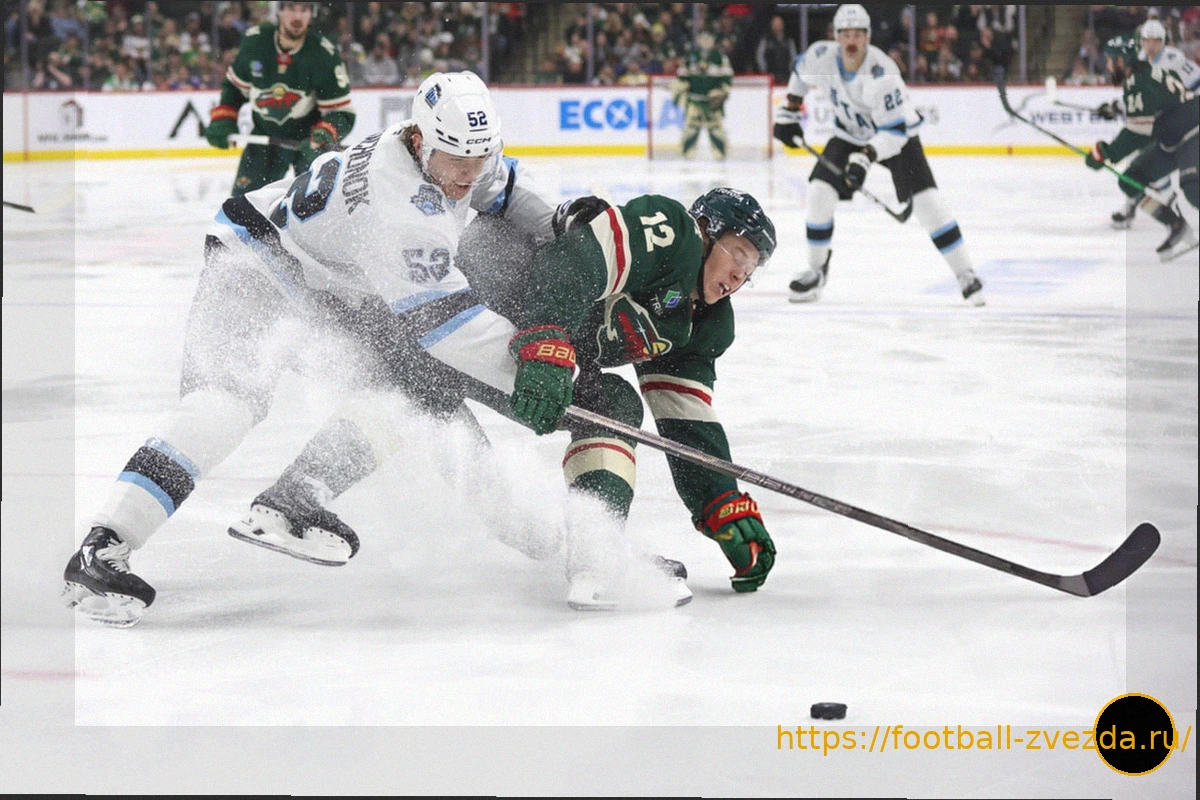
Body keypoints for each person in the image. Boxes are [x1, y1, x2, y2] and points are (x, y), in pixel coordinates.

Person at [62, 72, 557, 627]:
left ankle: (295, 500)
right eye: (457, 161)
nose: (468, 174)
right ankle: (103, 547)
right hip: (254, 260)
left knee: (404, 394)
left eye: (478, 157)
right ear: (421, 142)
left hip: (319, 284)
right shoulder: (401, 206)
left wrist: (572, 218)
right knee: (225, 404)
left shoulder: (444, 152)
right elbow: (449, 327)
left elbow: (503, 185)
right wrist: (539, 371)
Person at [233, 185, 780, 610]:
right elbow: (574, 265)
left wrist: (719, 502)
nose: (740, 272)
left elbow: (686, 416)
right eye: (737, 251)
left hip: (511, 342)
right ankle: (598, 558)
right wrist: (548, 342)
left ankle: (291, 499)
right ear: (706, 231)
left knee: (514, 511)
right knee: (436, 389)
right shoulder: (671, 232)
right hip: (464, 301)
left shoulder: (703, 322)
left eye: (751, 267)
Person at [772, 4, 985, 305]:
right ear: (836, 35)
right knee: (819, 192)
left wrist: (866, 157)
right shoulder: (821, 56)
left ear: (868, 37)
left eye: (858, 34)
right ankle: (816, 271)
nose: (851, 40)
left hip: (896, 138)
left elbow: (894, 133)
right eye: (845, 33)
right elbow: (799, 74)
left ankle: (965, 273)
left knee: (928, 204)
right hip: (849, 135)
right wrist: (790, 112)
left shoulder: (882, 73)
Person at [204, 2, 355, 197]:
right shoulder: (256, 43)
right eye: (291, 9)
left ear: (311, 15)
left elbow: (342, 112)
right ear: (280, 12)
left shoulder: (323, 54)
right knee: (244, 208)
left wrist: (325, 133)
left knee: (320, 206)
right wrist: (224, 118)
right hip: (264, 139)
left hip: (309, 144)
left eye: (304, 10)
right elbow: (235, 88)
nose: (297, 17)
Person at [1087, 35, 1198, 261]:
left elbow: (1138, 133)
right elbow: (1151, 112)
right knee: (1130, 179)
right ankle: (1175, 225)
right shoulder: (1143, 77)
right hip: (1173, 139)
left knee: (1193, 190)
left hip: (1194, 132)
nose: (1107, 65)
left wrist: (1105, 153)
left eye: (1110, 60)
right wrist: (1118, 109)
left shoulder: (1139, 82)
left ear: (1121, 61)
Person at [1107, 18, 1200, 228]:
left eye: (1156, 41)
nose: (1151, 45)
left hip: (1179, 126)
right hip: (1158, 125)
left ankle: (1166, 204)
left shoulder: (1174, 60)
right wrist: (1117, 106)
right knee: (1137, 166)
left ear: (1163, 41)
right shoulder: (1138, 61)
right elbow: (1138, 97)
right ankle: (1132, 207)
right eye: (1147, 40)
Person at [672, 30, 733, 160]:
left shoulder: (719, 56)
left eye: (708, 37)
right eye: (703, 38)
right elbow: (683, 75)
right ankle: (686, 153)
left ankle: (721, 153)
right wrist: (682, 85)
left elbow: (727, 77)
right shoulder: (691, 55)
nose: (706, 41)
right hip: (694, 99)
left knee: (715, 128)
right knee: (691, 128)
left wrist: (723, 91)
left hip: (712, 102)